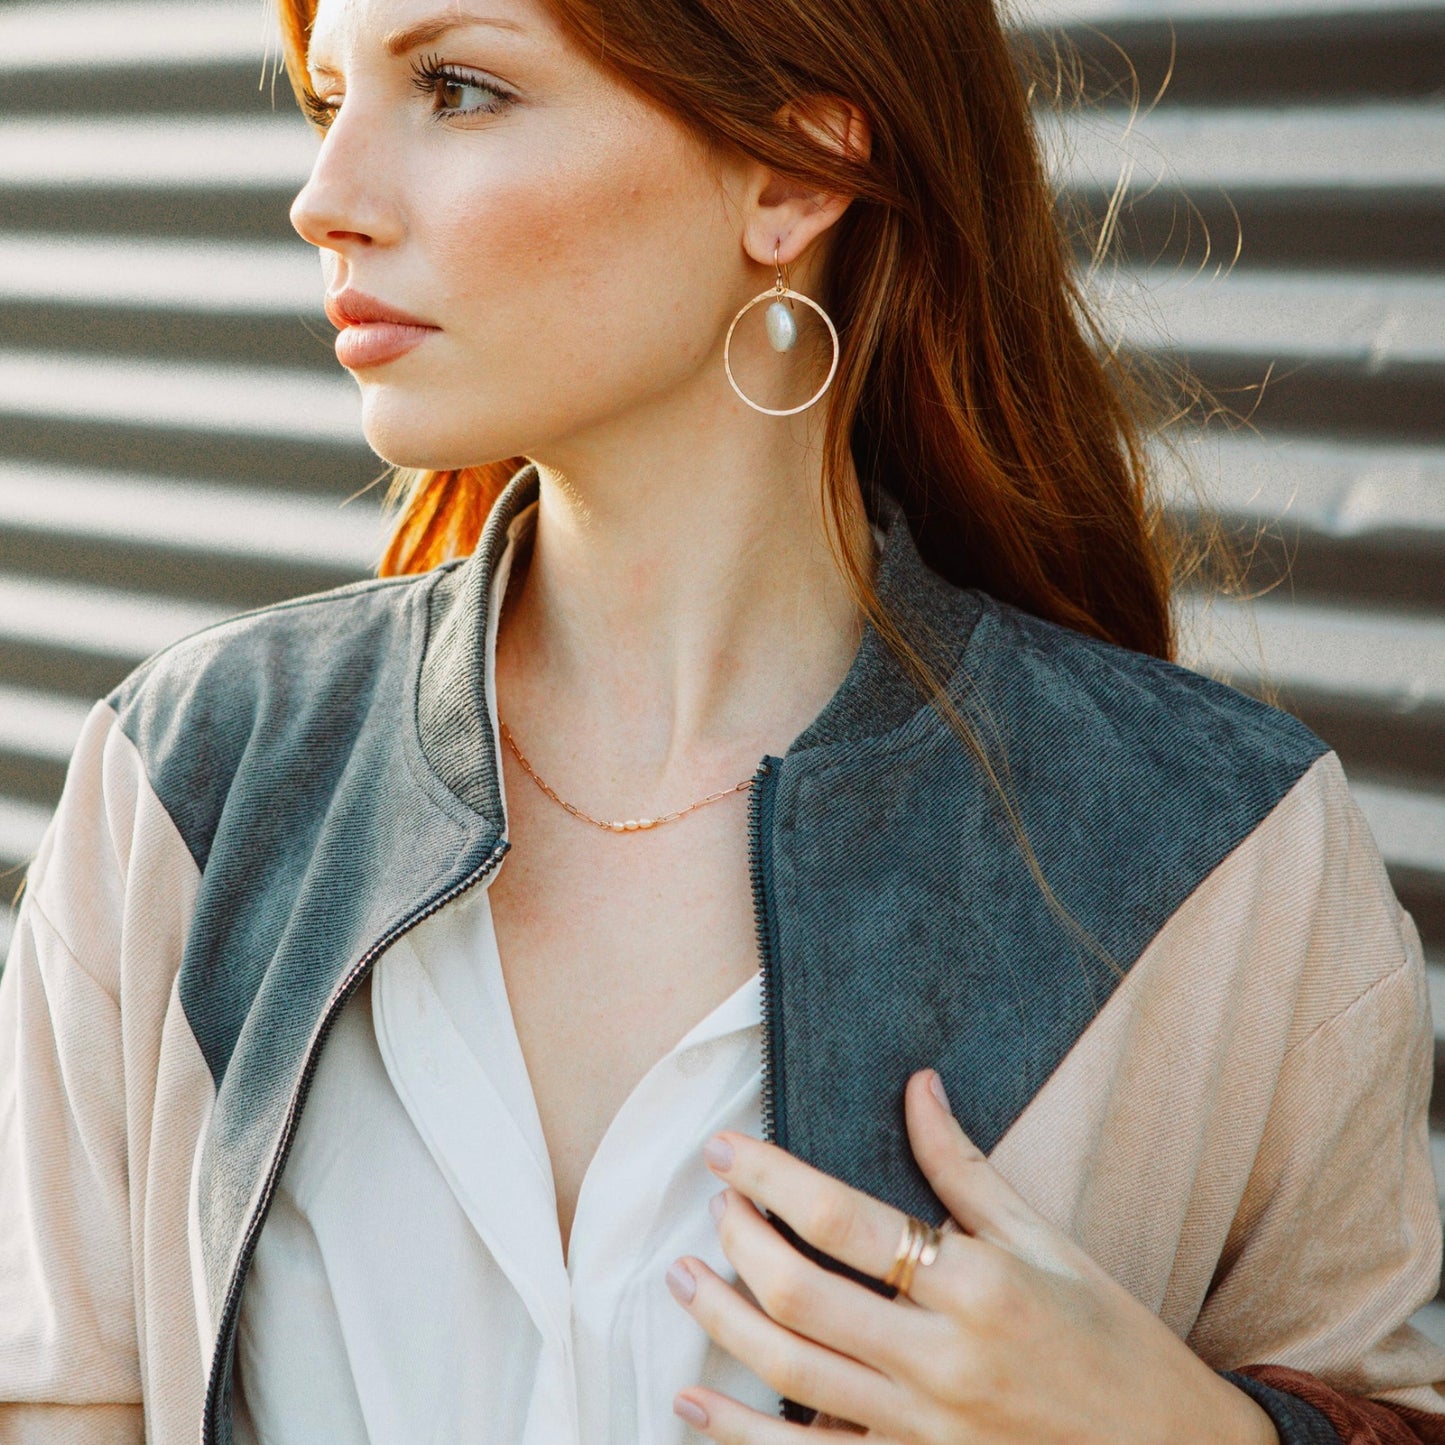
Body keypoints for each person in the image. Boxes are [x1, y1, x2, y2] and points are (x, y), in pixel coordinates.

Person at [1, 0, 1442, 1439]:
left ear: (793, 174)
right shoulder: (186, 787)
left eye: (455, 87)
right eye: (328, 100)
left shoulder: (1216, 851)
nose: (327, 199)